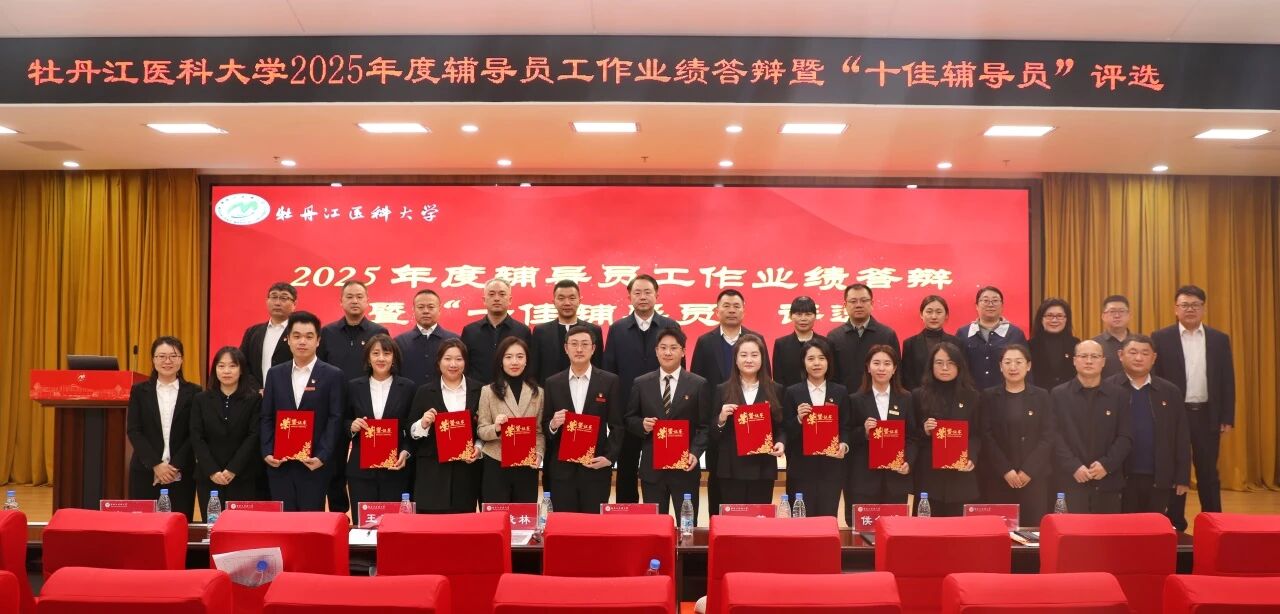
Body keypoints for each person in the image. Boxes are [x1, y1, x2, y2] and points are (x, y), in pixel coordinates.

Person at [1151, 285, 1234, 531]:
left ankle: (1214, 523)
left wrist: (1227, 415)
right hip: (1174, 416)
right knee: (1176, 470)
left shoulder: (1219, 339)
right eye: (1184, 305)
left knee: (1208, 472)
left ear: (1203, 308)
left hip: (1207, 414)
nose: (1190, 309)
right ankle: (1175, 523)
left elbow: (1227, 380)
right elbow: (1156, 379)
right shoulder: (1161, 337)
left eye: (1195, 305)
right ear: (1175, 309)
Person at [604, 274, 682, 504]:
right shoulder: (618, 329)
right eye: (637, 293)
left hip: (665, 412)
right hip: (628, 413)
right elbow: (610, 372)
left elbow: (681, 370)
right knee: (626, 466)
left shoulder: (670, 326)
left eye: (648, 292)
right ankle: (627, 515)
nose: (643, 297)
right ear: (629, 297)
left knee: (663, 470)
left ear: (657, 295)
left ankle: (658, 514)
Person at [692, 289, 770, 516]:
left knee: (754, 487)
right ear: (717, 311)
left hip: (754, 428)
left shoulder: (756, 340)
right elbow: (698, 383)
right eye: (726, 306)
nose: (731, 310)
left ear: (744, 310)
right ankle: (719, 525)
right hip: (720, 425)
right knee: (719, 479)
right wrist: (712, 420)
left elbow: (766, 379)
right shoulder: (705, 342)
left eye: (736, 306)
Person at [260, 311, 347, 512]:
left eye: (309, 336)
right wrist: (267, 452)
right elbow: (266, 416)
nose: (302, 342)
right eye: (297, 336)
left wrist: (322, 456)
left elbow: (335, 418)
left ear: (318, 341)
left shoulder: (333, 375)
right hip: (280, 463)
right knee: (284, 521)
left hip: (314, 463)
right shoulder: (275, 374)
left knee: (310, 521)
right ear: (288, 339)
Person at [318, 280, 388, 514]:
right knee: (335, 464)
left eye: (359, 296)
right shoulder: (327, 332)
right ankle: (339, 515)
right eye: (349, 296)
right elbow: (320, 369)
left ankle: (370, 513)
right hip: (334, 406)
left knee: (367, 465)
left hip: (368, 406)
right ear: (341, 301)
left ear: (367, 301)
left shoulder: (378, 332)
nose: (355, 301)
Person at [626, 327, 712, 517]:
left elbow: (705, 426)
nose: (668, 352)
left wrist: (695, 453)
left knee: (687, 526)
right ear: (656, 351)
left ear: (683, 351)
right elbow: (630, 419)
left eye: (673, 348)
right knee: (655, 526)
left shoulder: (698, 384)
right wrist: (642, 425)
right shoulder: (641, 383)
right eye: (663, 348)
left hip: (685, 468)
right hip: (652, 470)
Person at [542, 325, 622, 512]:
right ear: (566, 348)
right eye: (574, 344)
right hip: (562, 471)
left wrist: (609, 458)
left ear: (593, 348)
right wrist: (553, 424)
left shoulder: (609, 381)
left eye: (585, 344)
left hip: (595, 468)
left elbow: (617, 425)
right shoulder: (553, 383)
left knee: (592, 525)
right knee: (565, 524)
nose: (579, 349)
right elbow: (545, 425)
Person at [1108, 335, 1191, 515]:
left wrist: (1182, 476)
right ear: (1120, 355)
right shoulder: (1107, 388)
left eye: (1145, 353)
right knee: (1123, 527)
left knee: (1156, 526)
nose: (1139, 358)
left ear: (1154, 358)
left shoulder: (1170, 391)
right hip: (1119, 477)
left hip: (1159, 476)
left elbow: (1181, 436)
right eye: (1133, 352)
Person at [1051, 340, 1132, 514]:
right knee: (1071, 530)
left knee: (1107, 530)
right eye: (1083, 356)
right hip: (1070, 480)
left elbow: (1125, 436)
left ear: (1103, 361)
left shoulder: (1119, 395)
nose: (1089, 361)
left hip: (1108, 480)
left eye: (1094, 356)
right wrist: (1073, 466)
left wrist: (1106, 465)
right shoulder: (1059, 394)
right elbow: (1054, 435)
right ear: (1074, 361)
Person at [979, 345, 1056, 526]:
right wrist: (1006, 470)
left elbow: (1048, 435)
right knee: (1000, 530)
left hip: (1034, 478)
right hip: (999, 477)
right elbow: (986, 436)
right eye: (1007, 362)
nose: (1013, 367)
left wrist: (1028, 470)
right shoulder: (989, 396)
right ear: (1000, 366)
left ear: (1028, 366)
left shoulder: (1042, 396)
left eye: (1018, 362)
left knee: (1033, 531)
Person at [127, 336, 201, 520]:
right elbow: (134, 430)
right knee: (144, 526)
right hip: (146, 471)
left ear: (181, 359)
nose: (167, 361)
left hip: (181, 472)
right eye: (161, 356)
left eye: (173, 356)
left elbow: (195, 432)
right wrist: (156, 465)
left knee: (179, 524)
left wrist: (173, 466)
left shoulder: (195, 392)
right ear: (153, 359)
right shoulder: (139, 391)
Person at [343, 334, 414, 522]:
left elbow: (411, 427)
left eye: (387, 353)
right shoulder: (354, 387)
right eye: (375, 353)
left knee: (394, 525)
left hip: (395, 470)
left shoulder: (407, 387)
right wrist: (352, 425)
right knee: (364, 524)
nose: (381, 358)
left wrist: (406, 451)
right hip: (361, 471)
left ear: (394, 357)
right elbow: (342, 420)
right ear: (368, 358)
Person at [408, 338, 483, 513]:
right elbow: (410, 430)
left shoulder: (480, 390)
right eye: (447, 358)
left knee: (463, 525)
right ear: (439, 361)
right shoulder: (424, 391)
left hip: (466, 475)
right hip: (432, 474)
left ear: (465, 362)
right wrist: (423, 423)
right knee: (431, 526)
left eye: (459, 359)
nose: (453, 364)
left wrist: (478, 449)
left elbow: (484, 428)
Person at [711, 334, 786, 508]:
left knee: (760, 519)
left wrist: (781, 443)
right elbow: (712, 433)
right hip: (731, 468)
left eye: (754, 355)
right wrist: (721, 418)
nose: (749, 360)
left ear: (762, 358)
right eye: (743, 355)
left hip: (763, 467)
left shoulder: (776, 390)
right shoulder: (722, 390)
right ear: (736, 360)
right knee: (733, 519)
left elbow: (781, 427)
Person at [781, 338, 851, 518]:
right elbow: (785, 429)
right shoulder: (793, 392)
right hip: (801, 469)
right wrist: (798, 419)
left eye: (821, 358)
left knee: (827, 519)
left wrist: (844, 445)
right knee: (801, 521)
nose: (817, 363)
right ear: (803, 363)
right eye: (811, 359)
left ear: (828, 361)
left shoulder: (840, 391)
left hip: (831, 469)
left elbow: (846, 426)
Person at [190, 346, 261, 515]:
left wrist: (233, 469)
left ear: (241, 370)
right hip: (209, 476)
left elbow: (253, 435)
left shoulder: (254, 399)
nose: (226, 371)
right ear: (215, 369)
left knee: (240, 526)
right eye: (221, 366)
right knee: (212, 525)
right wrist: (212, 470)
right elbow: (196, 436)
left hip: (243, 475)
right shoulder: (201, 399)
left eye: (232, 366)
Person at [913, 342, 981, 517]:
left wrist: (971, 457)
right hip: (929, 477)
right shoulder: (918, 395)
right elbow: (910, 435)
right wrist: (924, 430)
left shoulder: (972, 396)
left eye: (951, 363)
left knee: (960, 529)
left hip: (961, 476)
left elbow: (977, 434)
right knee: (927, 529)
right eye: (939, 363)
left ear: (959, 366)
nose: (945, 368)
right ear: (931, 365)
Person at [848, 345, 917, 515]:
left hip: (896, 478)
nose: (881, 368)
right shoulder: (855, 399)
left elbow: (912, 437)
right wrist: (864, 432)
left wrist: (908, 462)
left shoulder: (906, 398)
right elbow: (846, 435)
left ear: (894, 369)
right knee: (865, 527)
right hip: (865, 480)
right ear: (868, 367)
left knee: (895, 527)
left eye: (887, 364)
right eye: (876, 363)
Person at [475, 336, 544, 503]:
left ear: (526, 361)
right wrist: (496, 428)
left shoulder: (538, 392)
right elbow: (481, 430)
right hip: (496, 463)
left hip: (526, 464)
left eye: (520, 356)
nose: (514, 362)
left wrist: (539, 454)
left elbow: (539, 432)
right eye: (508, 357)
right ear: (501, 361)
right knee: (495, 515)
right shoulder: (488, 391)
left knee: (524, 515)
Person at [530, 280, 604, 386]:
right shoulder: (541, 331)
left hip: (586, 390)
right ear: (554, 301)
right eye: (561, 298)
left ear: (579, 301)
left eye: (572, 298)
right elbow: (534, 368)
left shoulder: (593, 330)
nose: (567, 303)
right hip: (549, 391)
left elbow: (599, 366)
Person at [829, 283, 900, 394]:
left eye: (864, 300)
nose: (858, 305)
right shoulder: (834, 337)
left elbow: (897, 372)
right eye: (853, 301)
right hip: (844, 398)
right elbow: (830, 374)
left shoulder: (887, 334)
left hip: (879, 399)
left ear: (872, 304)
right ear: (845, 305)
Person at [956, 286, 1028, 391]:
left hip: (1005, 394)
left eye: (995, 300)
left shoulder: (1015, 333)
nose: (990, 304)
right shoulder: (963, 333)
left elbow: (1025, 367)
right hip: (971, 394)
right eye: (985, 300)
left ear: (1002, 305)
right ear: (976, 306)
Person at [461, 278, 532, 384]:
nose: (497, 298)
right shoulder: (470, 331)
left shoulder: (522, 331)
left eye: (502, 294)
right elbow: (464, 365)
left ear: (510, 300)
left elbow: (529, 366)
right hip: (477, 391)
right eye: (491, 294)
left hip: (512, 390)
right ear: (484, 300)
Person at [394, 289, 459, 387]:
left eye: (431, 307)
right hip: (410, 396)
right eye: (420, 307)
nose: (426, 311)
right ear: (413, 310)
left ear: (439, 310)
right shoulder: (399, 342)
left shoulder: (455, 340)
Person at [238, 282, 297, 391]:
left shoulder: (298, 333)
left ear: (294, 304)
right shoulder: (253, 332)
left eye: (284, 298)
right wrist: (256, 389)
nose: (277, 303)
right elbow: (242, 363)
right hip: (256, 396)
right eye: (274, 297)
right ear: (267, 301)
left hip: (289, 395)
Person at [900, 295, 961, 391]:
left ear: (946, 315)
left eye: (939, 312)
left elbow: (962, 374)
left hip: (950, 395)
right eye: (929, 312)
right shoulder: (910, 344)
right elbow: (907, 378)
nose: (934, 316)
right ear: (921, 314)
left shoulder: (956, 343)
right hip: (919, 397)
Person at [772, 296, 825, 388]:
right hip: (789, 396)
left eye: (808, 314)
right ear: (790, 316)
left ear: (815, 316)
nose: (803, 318)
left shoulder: (825, 343)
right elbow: (778, 380)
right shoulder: (781, 344)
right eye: (799, 314)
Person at [1029, 298, 1079, 391]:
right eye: (1049, 315)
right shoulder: (1031, 345)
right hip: (1039, 396)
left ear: (1066, 319)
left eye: (1059, 316)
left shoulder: (1075, 344)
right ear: (1041, 319)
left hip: (1069, 395)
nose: (1054, 320)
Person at [1094, 295, 1133, 379]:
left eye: (1121, 311)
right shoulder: (1094, 344)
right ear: (1103, 316)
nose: (1117, 315)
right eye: (1112, 311)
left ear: (1129, 315)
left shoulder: (1140, 343)